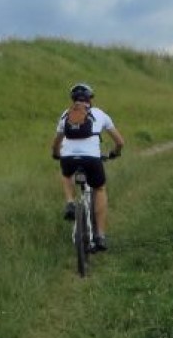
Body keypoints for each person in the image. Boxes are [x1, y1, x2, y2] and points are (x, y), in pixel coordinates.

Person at [51, 82, 124, 252]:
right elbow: (120, 142)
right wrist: (114, 152)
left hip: (69, 159)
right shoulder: (100, 114)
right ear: (90, 99)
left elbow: (56, 142)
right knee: (99, 189)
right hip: (92, 160)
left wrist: (56, 153)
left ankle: (70, 202)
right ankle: (100, 235)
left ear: (73, 99)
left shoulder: (66, 115)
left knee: (66, 173)